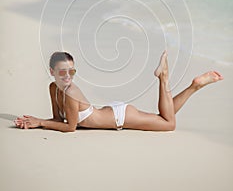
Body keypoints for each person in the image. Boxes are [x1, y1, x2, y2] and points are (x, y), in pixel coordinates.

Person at [14, 51, 223, 132]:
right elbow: (57, 118)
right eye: (62, 72)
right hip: (113, 112)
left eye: (72, 71)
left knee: (169, 124)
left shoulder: (70, 92)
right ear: (52, 71)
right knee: (164, 117)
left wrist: (40, 123)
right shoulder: (53, 88)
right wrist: (38, 120)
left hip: (121, 117)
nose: (68, 76)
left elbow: (70, 127)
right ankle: (195, 86)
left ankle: (164, 77)